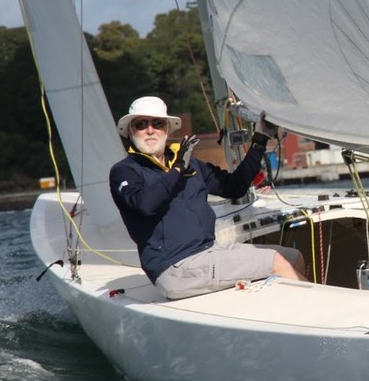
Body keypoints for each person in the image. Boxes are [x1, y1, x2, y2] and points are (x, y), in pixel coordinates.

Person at [109, 96, 306, 300]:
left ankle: (292, 317)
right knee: (278, 262)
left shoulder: (189, 164)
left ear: (167, 129)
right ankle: (315, 325)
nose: (150, 130)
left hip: (207, 253)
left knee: (293, 258)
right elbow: (146, 204)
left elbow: (234, 187)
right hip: (175, 267)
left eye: (157, 124)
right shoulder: (125, 172)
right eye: (141, 125)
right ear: (131, 131)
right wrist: (177, 169)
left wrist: (260, 140)